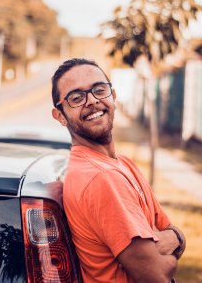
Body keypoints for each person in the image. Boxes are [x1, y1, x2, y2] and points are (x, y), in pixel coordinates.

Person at [51, 58, 186, 283]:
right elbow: (158, 274)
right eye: (76, 98)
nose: (92, 101)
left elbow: (167, 226)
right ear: (60, 115)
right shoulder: (101, 178)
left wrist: (175, 236)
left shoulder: (122, 164)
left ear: (113, 95)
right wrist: (177, 240)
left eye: (99, 90)